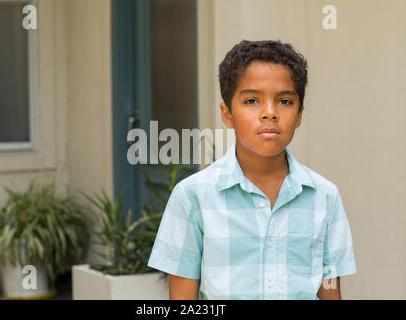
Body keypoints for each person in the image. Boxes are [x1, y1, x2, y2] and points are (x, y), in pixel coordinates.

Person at [147, 40, 357, 300]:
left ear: (299, 115)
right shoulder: (193, 197)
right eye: (251, 100)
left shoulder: (324, 197)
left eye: (284, 101)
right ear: (227, 115)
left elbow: (329, 290)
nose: (269, 113)